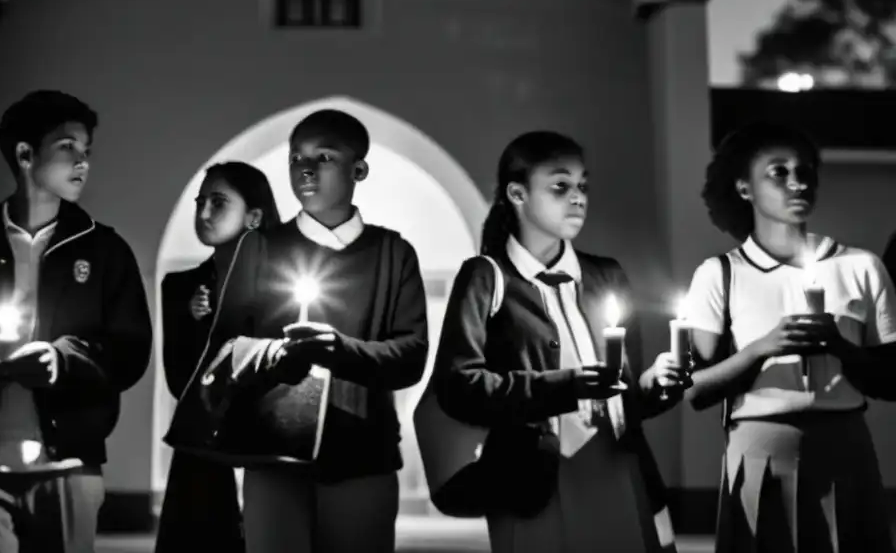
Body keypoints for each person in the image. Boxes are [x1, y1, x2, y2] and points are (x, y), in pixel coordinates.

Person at [0, 90, 153, 553]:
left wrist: (63, 360)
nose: (83, 161)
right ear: (24, 154)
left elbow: (131, 351)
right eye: (68, 147)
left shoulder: (104, 251)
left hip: (69, 470)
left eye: (87, 150)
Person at [432, 130, 684, 553]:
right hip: (531, 481)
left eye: (583, 185)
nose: (578, 197)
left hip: (617, 469)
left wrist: (655, 384)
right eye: (560, 186)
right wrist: (564, 387)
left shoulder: (606, 275)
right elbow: (459, 386)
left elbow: (627, 398)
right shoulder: (487, 277)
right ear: (518, 193)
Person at [202, 109, 429, 553]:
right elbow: (223, 348)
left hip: (363, 456)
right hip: (272, 455)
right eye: (295, 158)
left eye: (324, 156)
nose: (304, 169)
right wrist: (272, 356)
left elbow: (411, 355)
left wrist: (339, 349)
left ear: (358, 169)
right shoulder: (259, 248)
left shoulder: (393, 253)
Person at [686, 122, 896, 552]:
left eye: (805, 171)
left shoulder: (861, 267)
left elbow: (892, 379)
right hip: (759, 446)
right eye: (778, 172)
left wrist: (839, 347)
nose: (797, 182)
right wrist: (764, 348)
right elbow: (697, 390)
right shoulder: (720, 275)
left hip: (846, 444)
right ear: (744, 187)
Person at [155, 161, 281, 553]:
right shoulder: (179, 287)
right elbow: (179, 381)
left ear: (254, 216)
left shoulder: (288, 283)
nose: (204, 213)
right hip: (202, 447)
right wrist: (195, 325)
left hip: (269, 442)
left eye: (219, 202)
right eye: (200, 202)